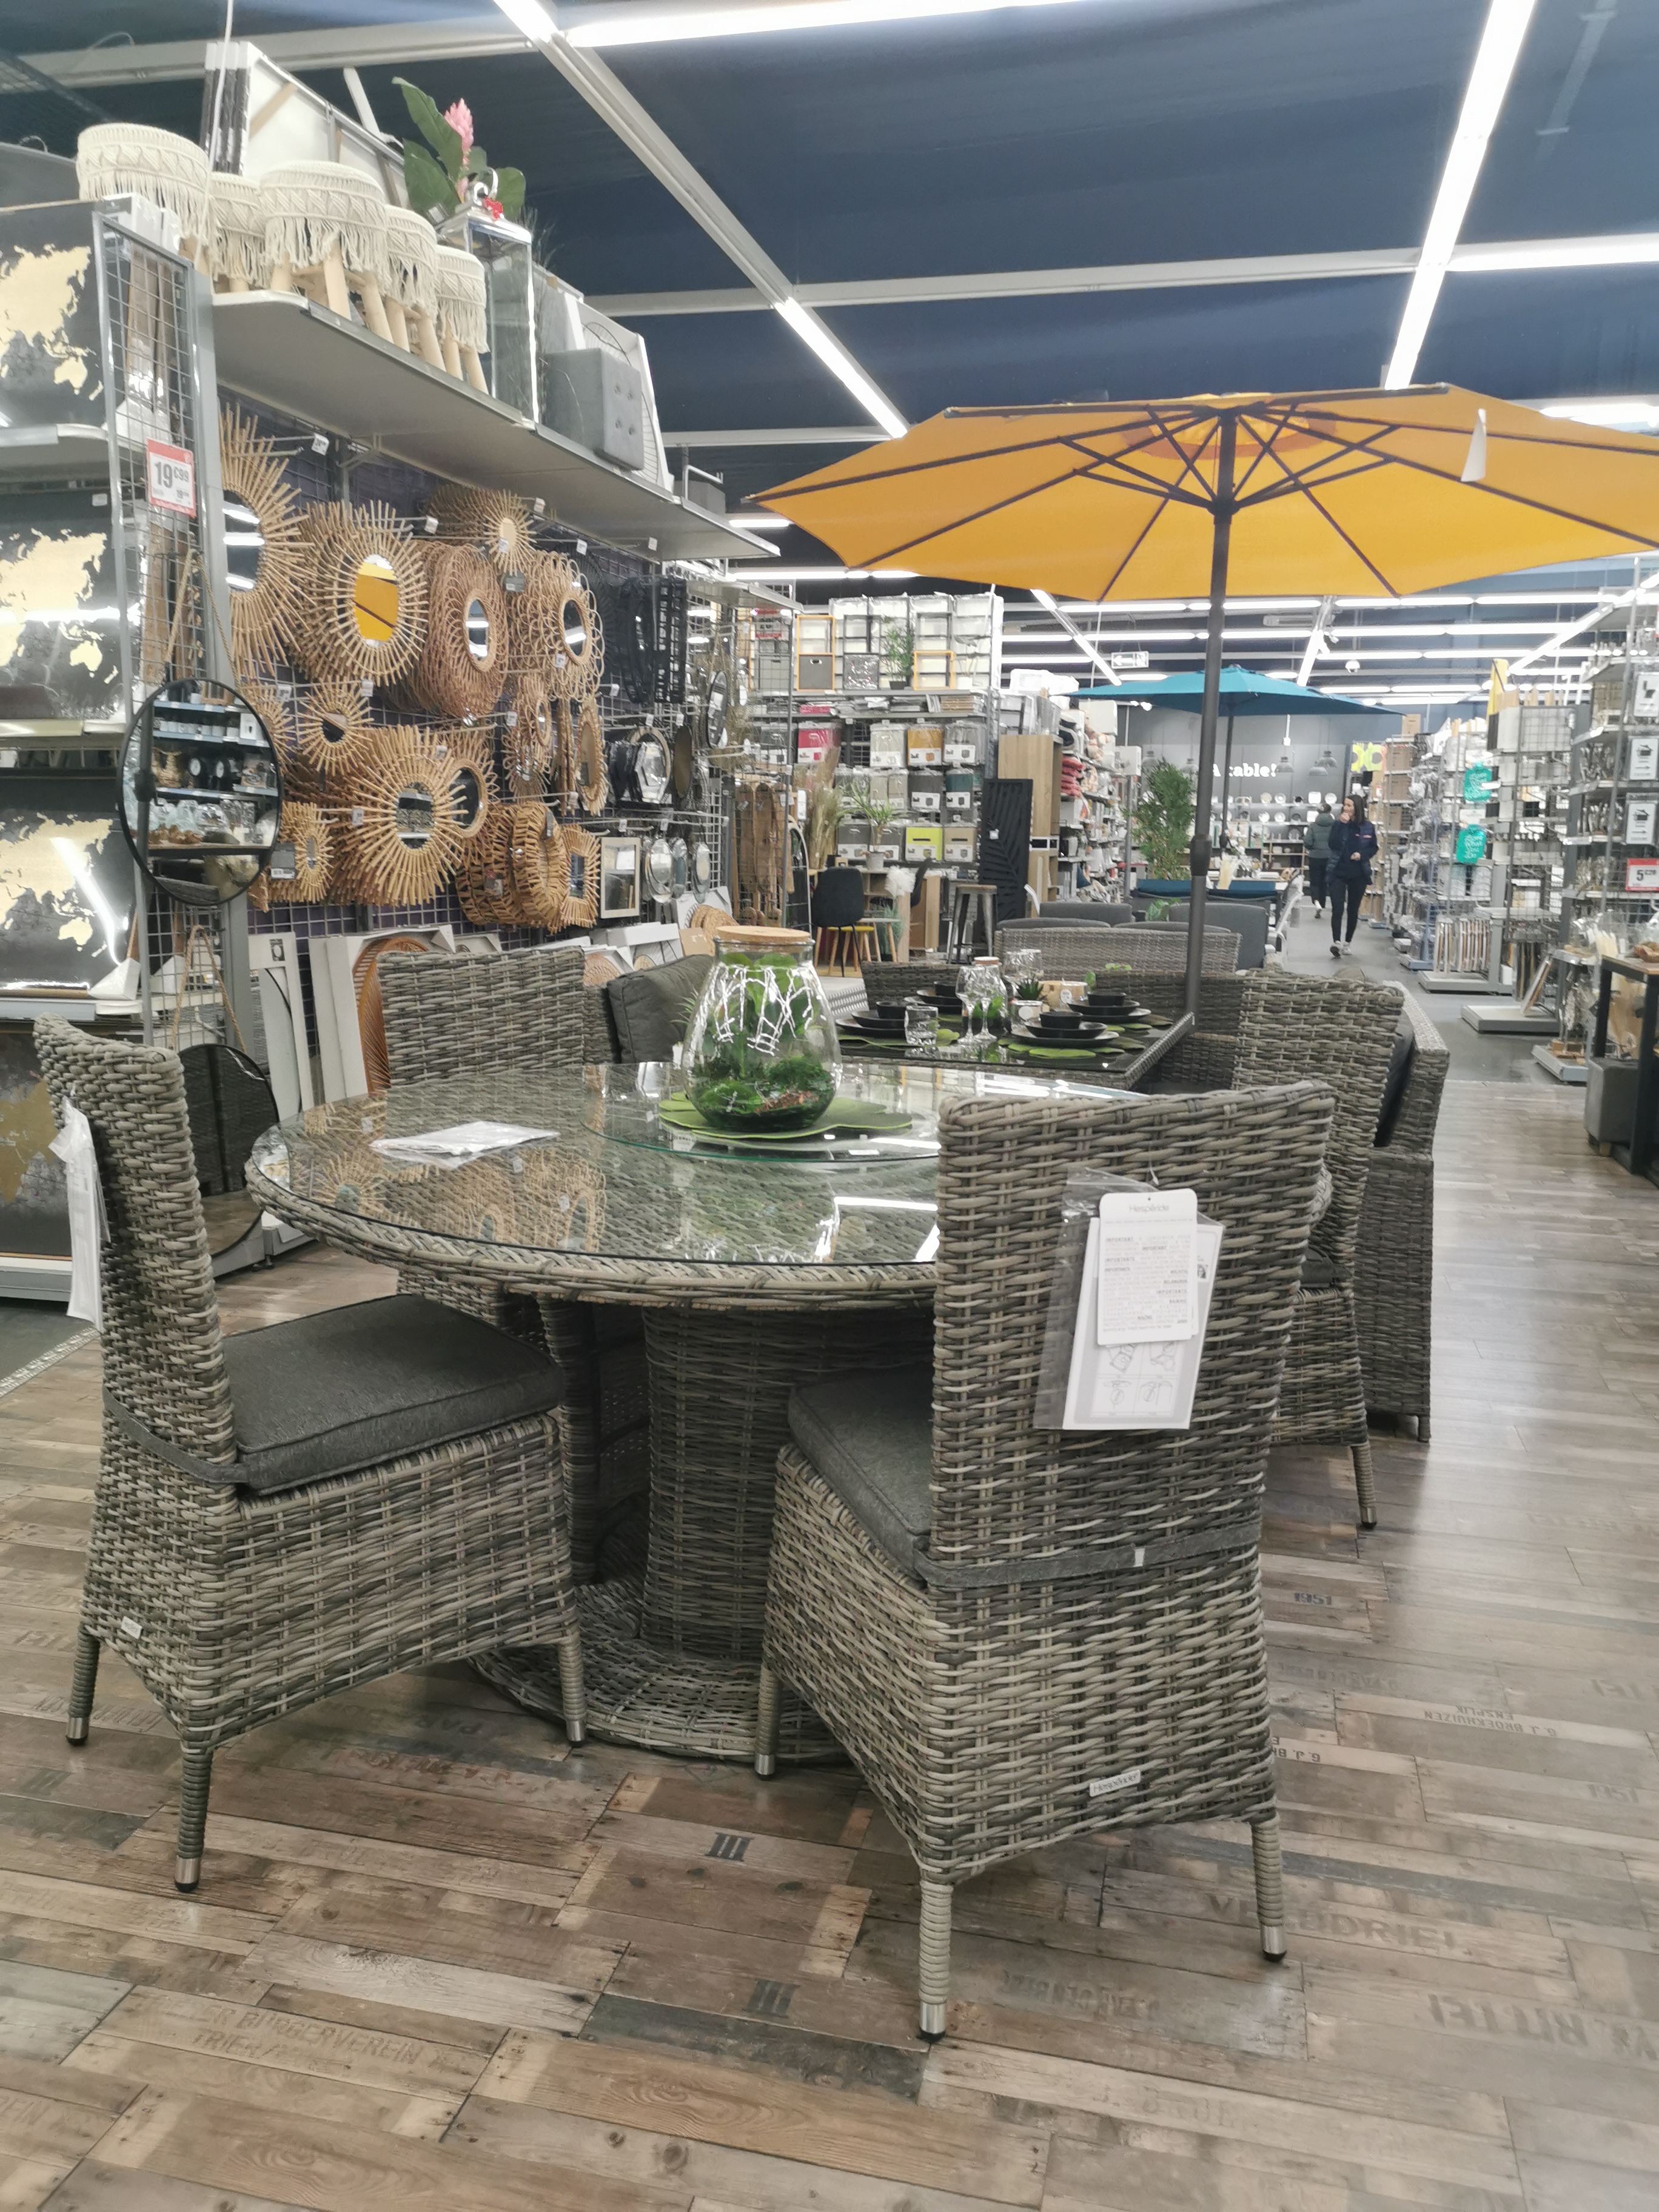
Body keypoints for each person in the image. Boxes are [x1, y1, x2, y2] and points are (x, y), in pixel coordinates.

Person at [1327, 795, 1378, 957]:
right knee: (1338, 908)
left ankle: (1347, 943)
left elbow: (1374, 848)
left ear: (1357, 807)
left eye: (1350, 805)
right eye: (1345, 805)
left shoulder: (1368, 827)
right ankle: (1336, 942)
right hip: (1338, 872)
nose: (1346, 808)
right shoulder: (1338, 824)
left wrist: (1362, 855)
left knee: (1353, 909)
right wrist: (1340, 825)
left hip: (1359, 874)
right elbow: (1332, 844)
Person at [1304, 799, 1335, 912]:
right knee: (1325, 882)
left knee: (1315, 881)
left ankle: (1316, 902)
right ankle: (1323, 904)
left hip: (1315, 857)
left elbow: (1307, 842)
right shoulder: (1335, 826)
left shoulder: (1313, 826)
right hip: (1330, 857)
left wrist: (1312, 849)